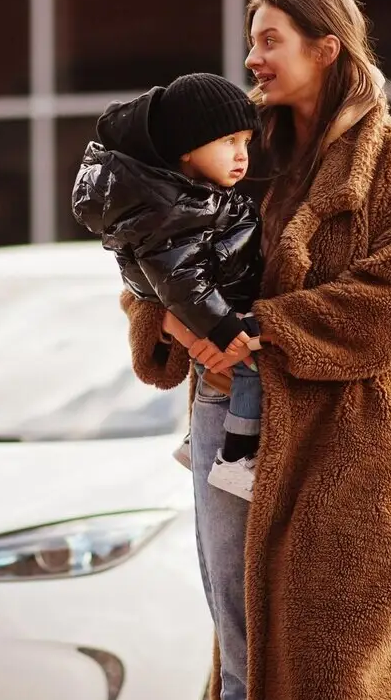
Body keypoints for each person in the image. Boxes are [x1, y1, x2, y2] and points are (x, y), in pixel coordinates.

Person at [118, 0, 391, 700]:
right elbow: (149, 248)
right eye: (251, 42)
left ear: (326, 47)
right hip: (222, 417)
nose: (254, 58)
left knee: (333, 672)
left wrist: (254, 329)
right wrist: (173, 320)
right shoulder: (237, 150)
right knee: (242, 658)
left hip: (351, 438)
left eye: (270, 41)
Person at [71, 73, 267, 500]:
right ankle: (237, 457)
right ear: (186, 149)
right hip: (217, 318)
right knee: (251, 371)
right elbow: (181, 281)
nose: (241, 155)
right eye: (228, 141)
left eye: (247, 142)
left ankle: (197, 441)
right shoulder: (175, 207)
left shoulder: (189, 195)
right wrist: (225, 329)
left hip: (213, 314)